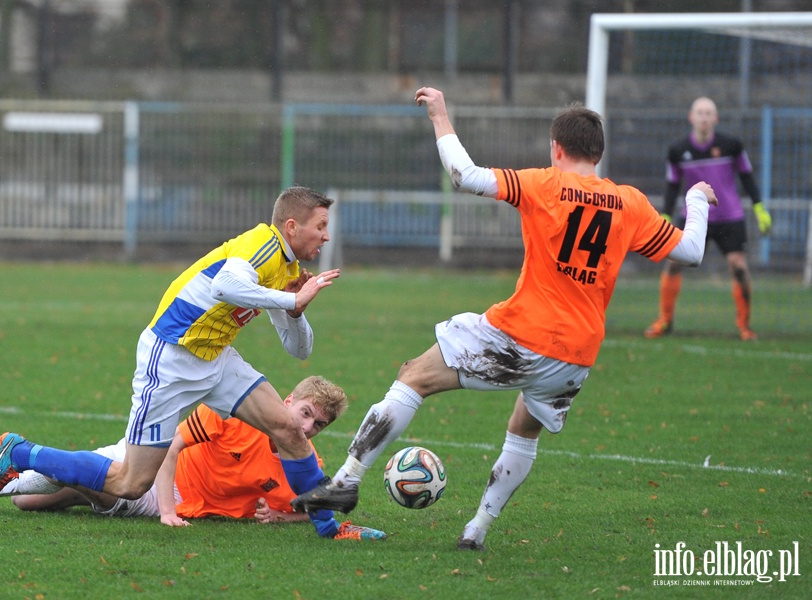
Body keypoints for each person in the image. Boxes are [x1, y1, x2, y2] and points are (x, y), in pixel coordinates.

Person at [290, 87, 718, 550]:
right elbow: (690, 251)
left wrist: (440, 114)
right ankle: (476, 530)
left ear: (557, 148)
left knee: (414, 376)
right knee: (524, 429)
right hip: (576, 352)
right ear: (598, 152)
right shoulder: (629, 203)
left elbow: (464, 175)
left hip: (520, 331)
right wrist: (696, 198)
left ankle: (347, 480)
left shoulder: (545, 183)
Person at [0, 186, 346, 538]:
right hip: (172, 354)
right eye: (321, 226)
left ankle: (331, 529)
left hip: (216, 358)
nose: (326, 236)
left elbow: (298, 350)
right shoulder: (263, 244)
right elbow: (224, 287)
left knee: (288, 429)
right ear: (292, 227)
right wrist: (288, 302)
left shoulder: (285, 269)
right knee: (131, 484)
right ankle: (21, 451)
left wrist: (296, 311)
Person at [0, 377, 386, 541]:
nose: (306, 428)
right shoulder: (235, 414)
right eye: (304, 413)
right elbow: (171, 448)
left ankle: (7, 468)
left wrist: (283, 520)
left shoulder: (302, 464)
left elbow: (313, 508)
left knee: (34, 502)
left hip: (164, 488)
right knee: (102, 484)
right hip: (157, 471)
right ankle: (9, 459)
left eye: (318, 425)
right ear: (287, 401)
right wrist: (165, 509)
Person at [644, 96, 772, 341]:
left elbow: (747, 176)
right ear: (691, 117)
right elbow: (672, 185)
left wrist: (759, 208)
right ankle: (665, 320)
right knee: (672, 262)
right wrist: (666, 215)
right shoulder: (678, 150)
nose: (704, 117)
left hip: (729, 216)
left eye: (708, 113)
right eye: (699, 112)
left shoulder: (732, 145)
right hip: (693, 216)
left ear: (716, 118)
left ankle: (745, 325)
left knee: (738, 266)